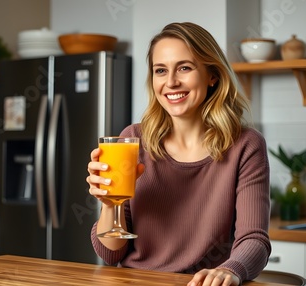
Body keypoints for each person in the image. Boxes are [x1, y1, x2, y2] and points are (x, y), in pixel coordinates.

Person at [86, 22, 271, 286]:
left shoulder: (245, 145)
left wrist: (231, 269)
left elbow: (255, 239)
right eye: (160, 71)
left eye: (185, 67)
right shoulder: (133, 140)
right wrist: (109, 205)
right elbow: (110, 252)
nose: (171, 82)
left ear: (212, 75)